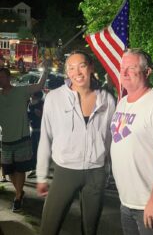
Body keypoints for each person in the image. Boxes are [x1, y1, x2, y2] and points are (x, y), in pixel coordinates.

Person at [36, 50, 115, 235]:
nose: (77, 72)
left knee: (90, 228)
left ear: (91, 68)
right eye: (71, 68)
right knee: (49, 227)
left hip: (96, 172)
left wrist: (111, 171)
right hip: (65, 171)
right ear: (67, 72)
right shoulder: (54, 98)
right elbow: (45, 138)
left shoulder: (107, 100)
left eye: (82, 66)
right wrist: (41, 176)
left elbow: (111, 140)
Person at [111, 48, 153, 235]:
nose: (124, 73)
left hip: (151, 204)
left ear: (147, 72)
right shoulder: (123, 102)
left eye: (131, 68)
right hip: (127, 201)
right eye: (122, 67)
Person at [0, 66, 48, 212]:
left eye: (2, 77)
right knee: (8, 171)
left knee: (20, 169)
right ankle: (19, 191)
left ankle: (18, 196)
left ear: (9, 78)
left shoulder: (21, 91)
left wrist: (45, 71)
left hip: (22, 137)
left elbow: (39, 86)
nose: (0, 80)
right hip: (6, 138)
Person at [27, 91, 44, 178]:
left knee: (41, 150)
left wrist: (41, 115)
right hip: (33, 130)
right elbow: (28, 116)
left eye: (32, 94)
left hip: (41, 130)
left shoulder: (42, 103)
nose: (31, 95)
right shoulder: (30, 103)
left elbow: (47, 117)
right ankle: (33, 169)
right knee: (33, 150)